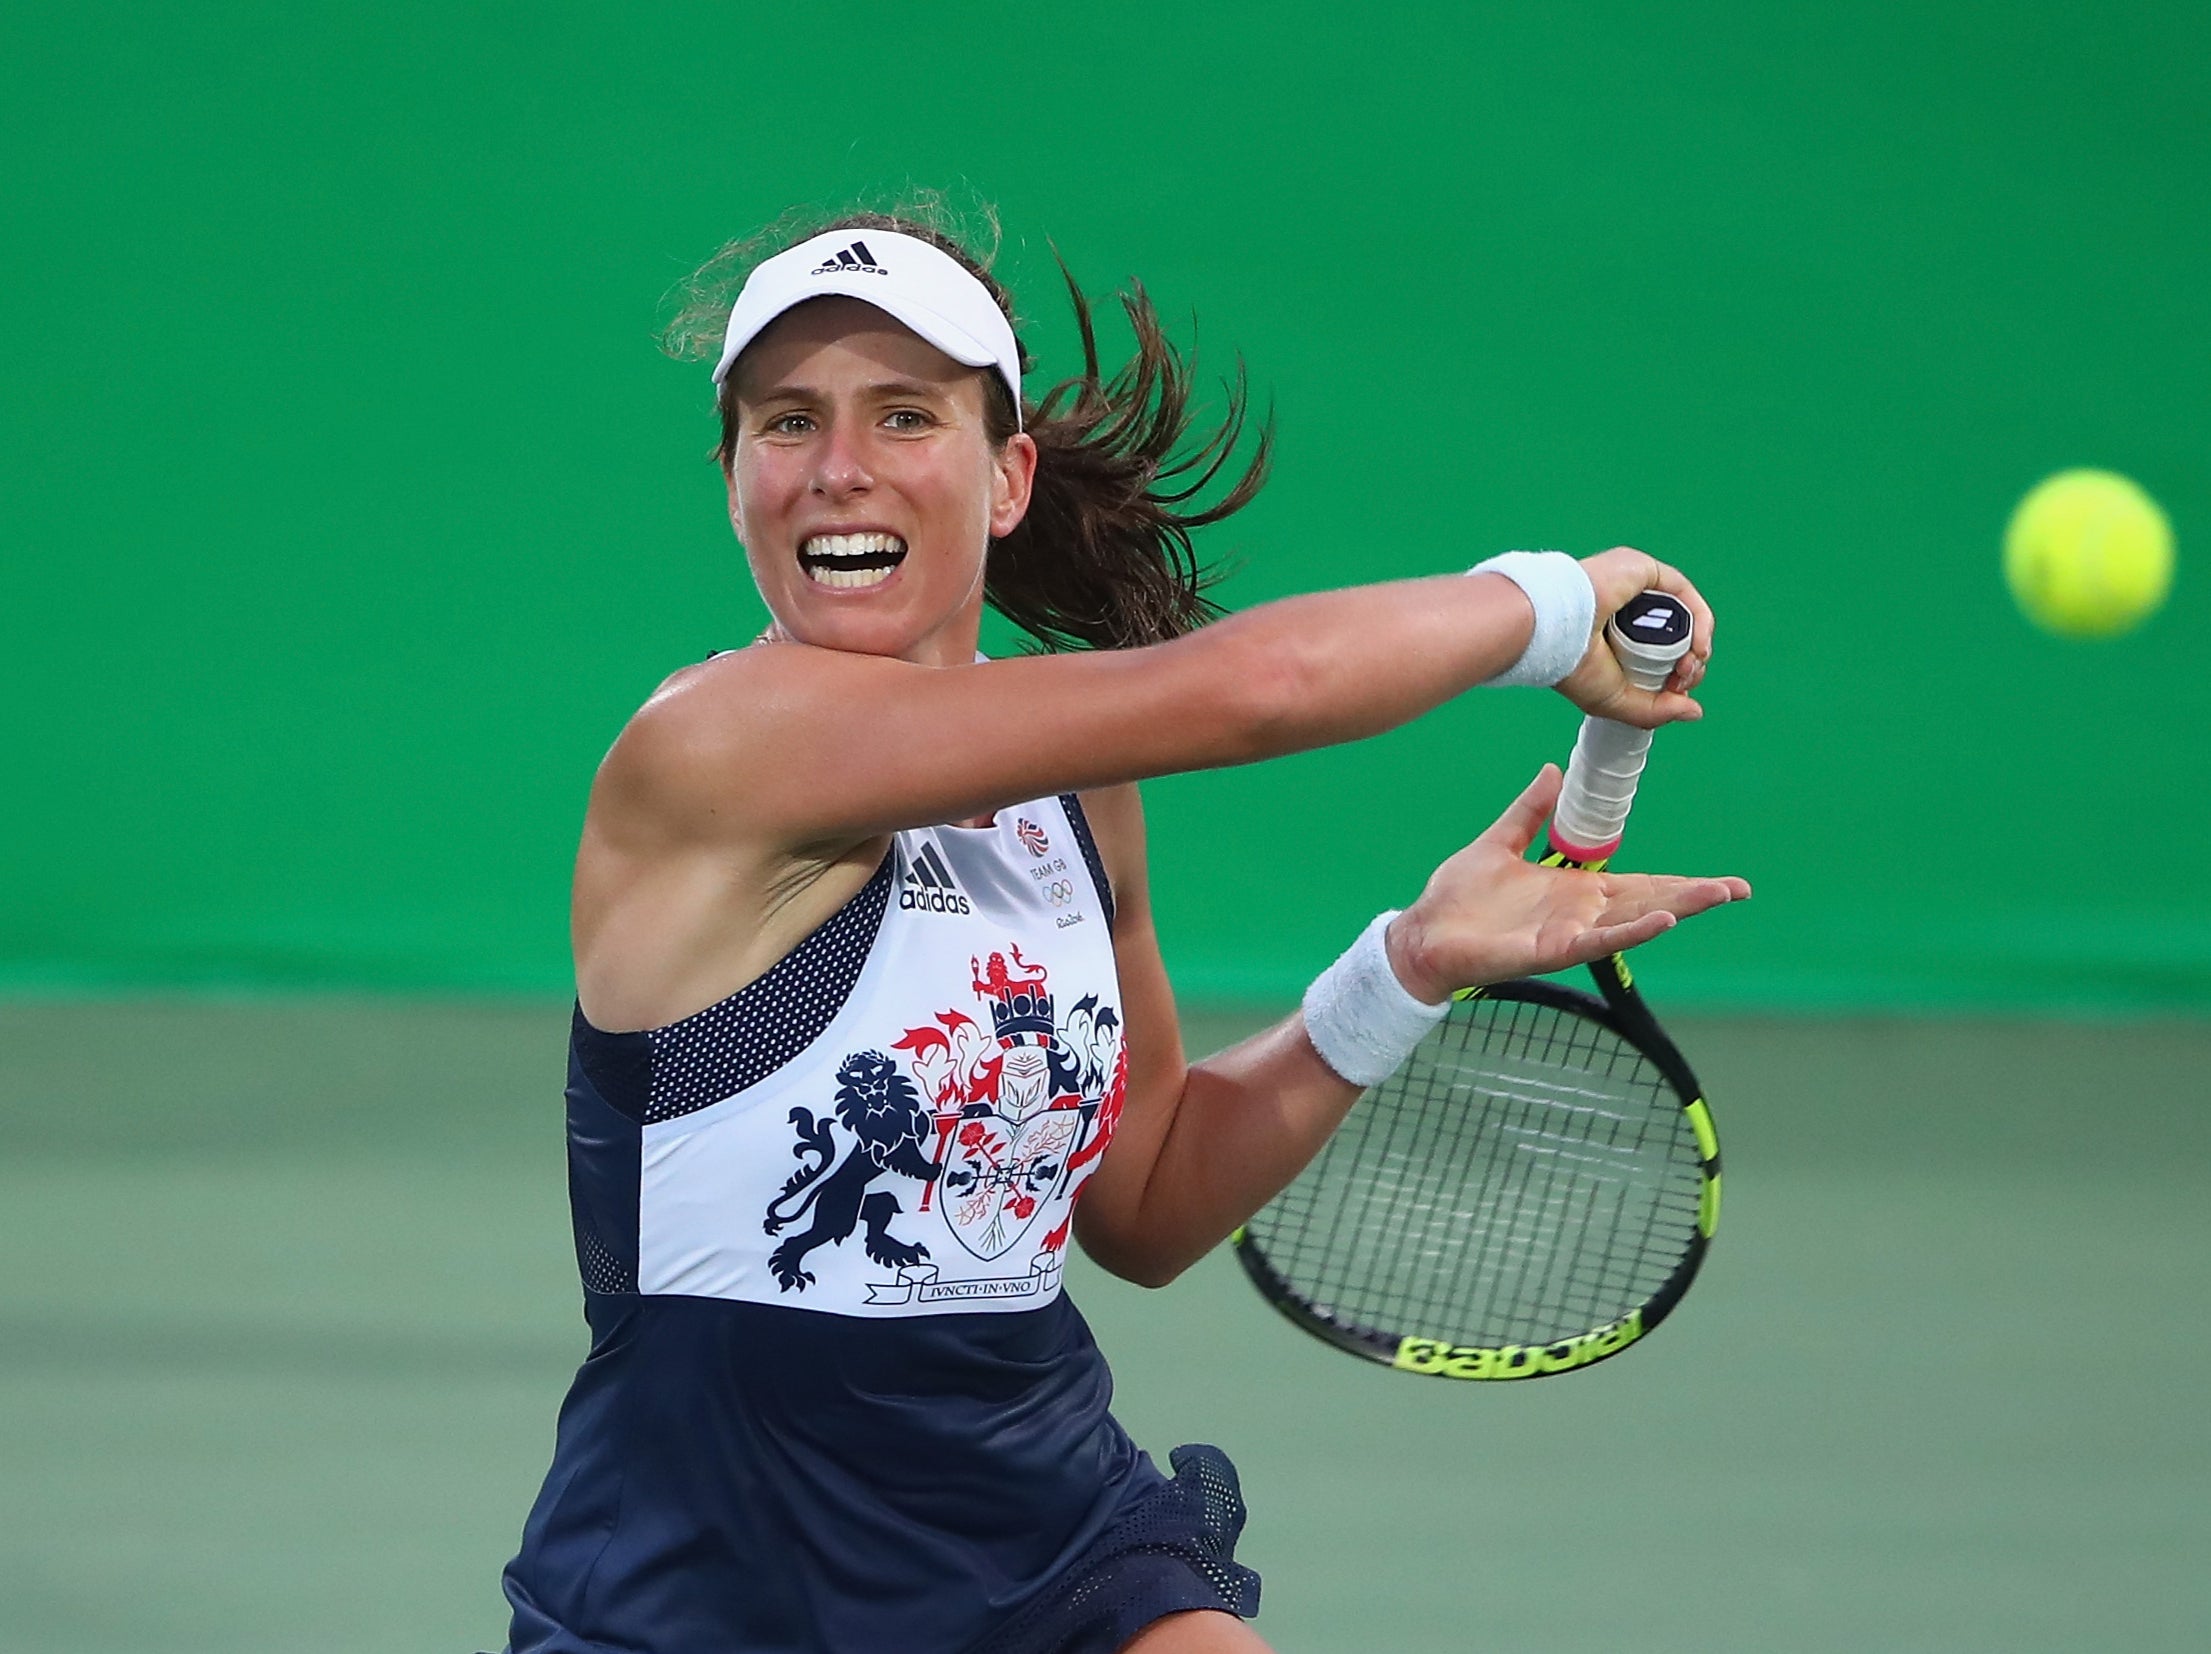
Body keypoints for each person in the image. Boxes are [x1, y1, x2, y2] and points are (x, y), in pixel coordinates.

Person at [499, 206, 1749, 1654]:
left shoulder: (1077, 803)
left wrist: (1407, 967)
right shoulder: (715, 746)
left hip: (1041, 1544)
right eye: (788, 422)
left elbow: (1145, 1202)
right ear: (732, 475)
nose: (838, 468)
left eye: (905, 415)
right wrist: (1548, 603)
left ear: (1007, 472)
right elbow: (1256, 687)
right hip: (708, 1586)